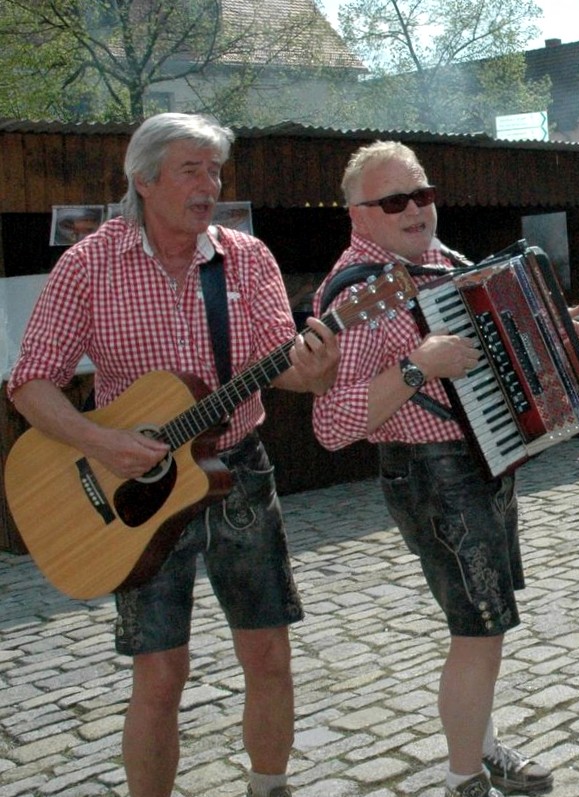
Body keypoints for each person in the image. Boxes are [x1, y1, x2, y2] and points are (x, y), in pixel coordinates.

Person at [7, 113, 340, 797]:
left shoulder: (247, 258)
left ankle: (269, 786)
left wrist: (320, 367)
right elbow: (30, 381)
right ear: (144, 179)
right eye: (191, 169)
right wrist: (103, 441)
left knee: (269, 655)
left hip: (237, 472)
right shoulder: (89, 263)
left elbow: (279, 364)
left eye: (215, 171)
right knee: (160, 673)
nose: (209, 185)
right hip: (133, 492)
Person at [311, 141, 579, 797]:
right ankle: (462, 777)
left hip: (485, 459)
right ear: (358, 214)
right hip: (426, 469)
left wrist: (563, 341)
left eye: (422, 194)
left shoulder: (449, 264)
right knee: (479, 627)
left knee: (485, 623)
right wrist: (418, 366)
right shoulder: (354, 290)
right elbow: (331, 426)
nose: (415, 209)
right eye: (394, 201)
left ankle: (483, 746)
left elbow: (508, 352)